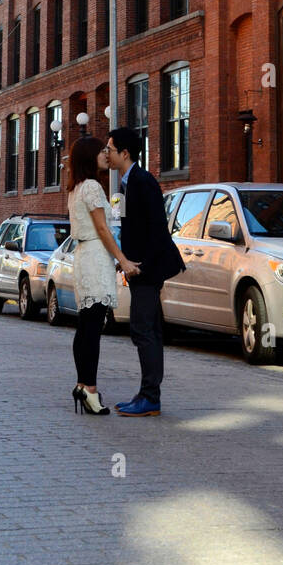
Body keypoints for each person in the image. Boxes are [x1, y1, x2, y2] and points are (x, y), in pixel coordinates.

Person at [105, 128, 185, 416]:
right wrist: (123, 259)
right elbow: (129, 229)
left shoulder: (144, 182)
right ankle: (147, 394)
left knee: (144, 330)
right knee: (146, 330)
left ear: (125, 153)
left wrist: (142, 266)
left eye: (110, 149)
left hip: (148, 270)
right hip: (137, 267)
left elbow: (157, 231)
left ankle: (150, 397)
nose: (107, 154)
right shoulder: (125, 186)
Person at [66, 136, 140, 416]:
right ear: (88, 156)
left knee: (85, 326)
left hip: (84, 257)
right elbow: (103, 229)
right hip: (95, 258)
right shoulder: (93, 187)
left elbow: (104, 222)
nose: (105, 155)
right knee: (93, 328)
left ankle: (82, 384)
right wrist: (123, 260)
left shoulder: (75, 189)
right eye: (101, 151)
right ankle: (91, 390)